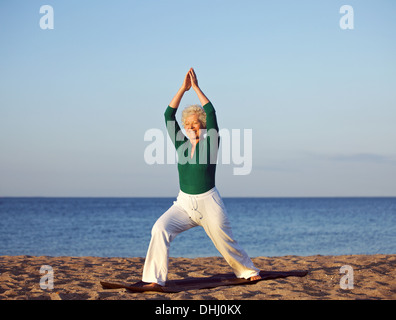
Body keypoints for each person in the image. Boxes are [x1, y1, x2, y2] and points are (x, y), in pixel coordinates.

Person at [142, 68, 261, 289]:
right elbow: (168, 116)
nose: (190, 127)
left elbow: (212, 112)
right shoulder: (181, 144)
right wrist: (182, 88)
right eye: (187, 124)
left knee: (225, 241)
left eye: (195, 123)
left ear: (202, 125)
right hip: (184, 203)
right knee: (160, 228)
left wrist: (196, 88)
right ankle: (153, 279)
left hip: (209, 202)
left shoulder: (211, 142)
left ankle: (248, 270)